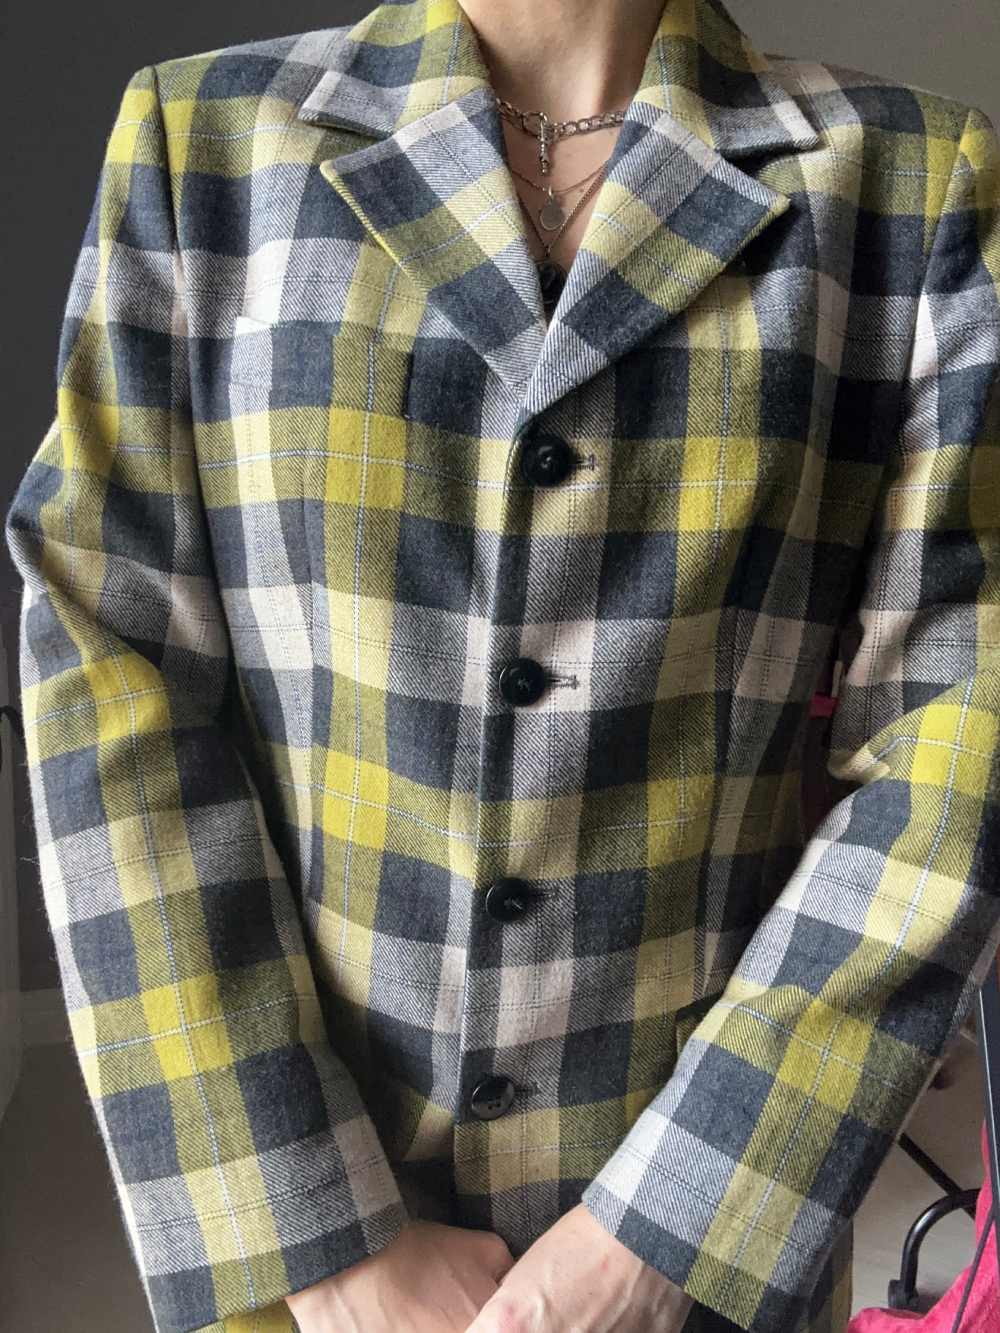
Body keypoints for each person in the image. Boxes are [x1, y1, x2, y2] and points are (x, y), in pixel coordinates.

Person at [4, 0, 1000, 1330]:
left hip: (696, 1247)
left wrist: (659, 1238)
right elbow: (107, 671)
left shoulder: (903, 179)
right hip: (309, 1248)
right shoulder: (210, 143)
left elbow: (959, 735)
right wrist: (320, 1240)